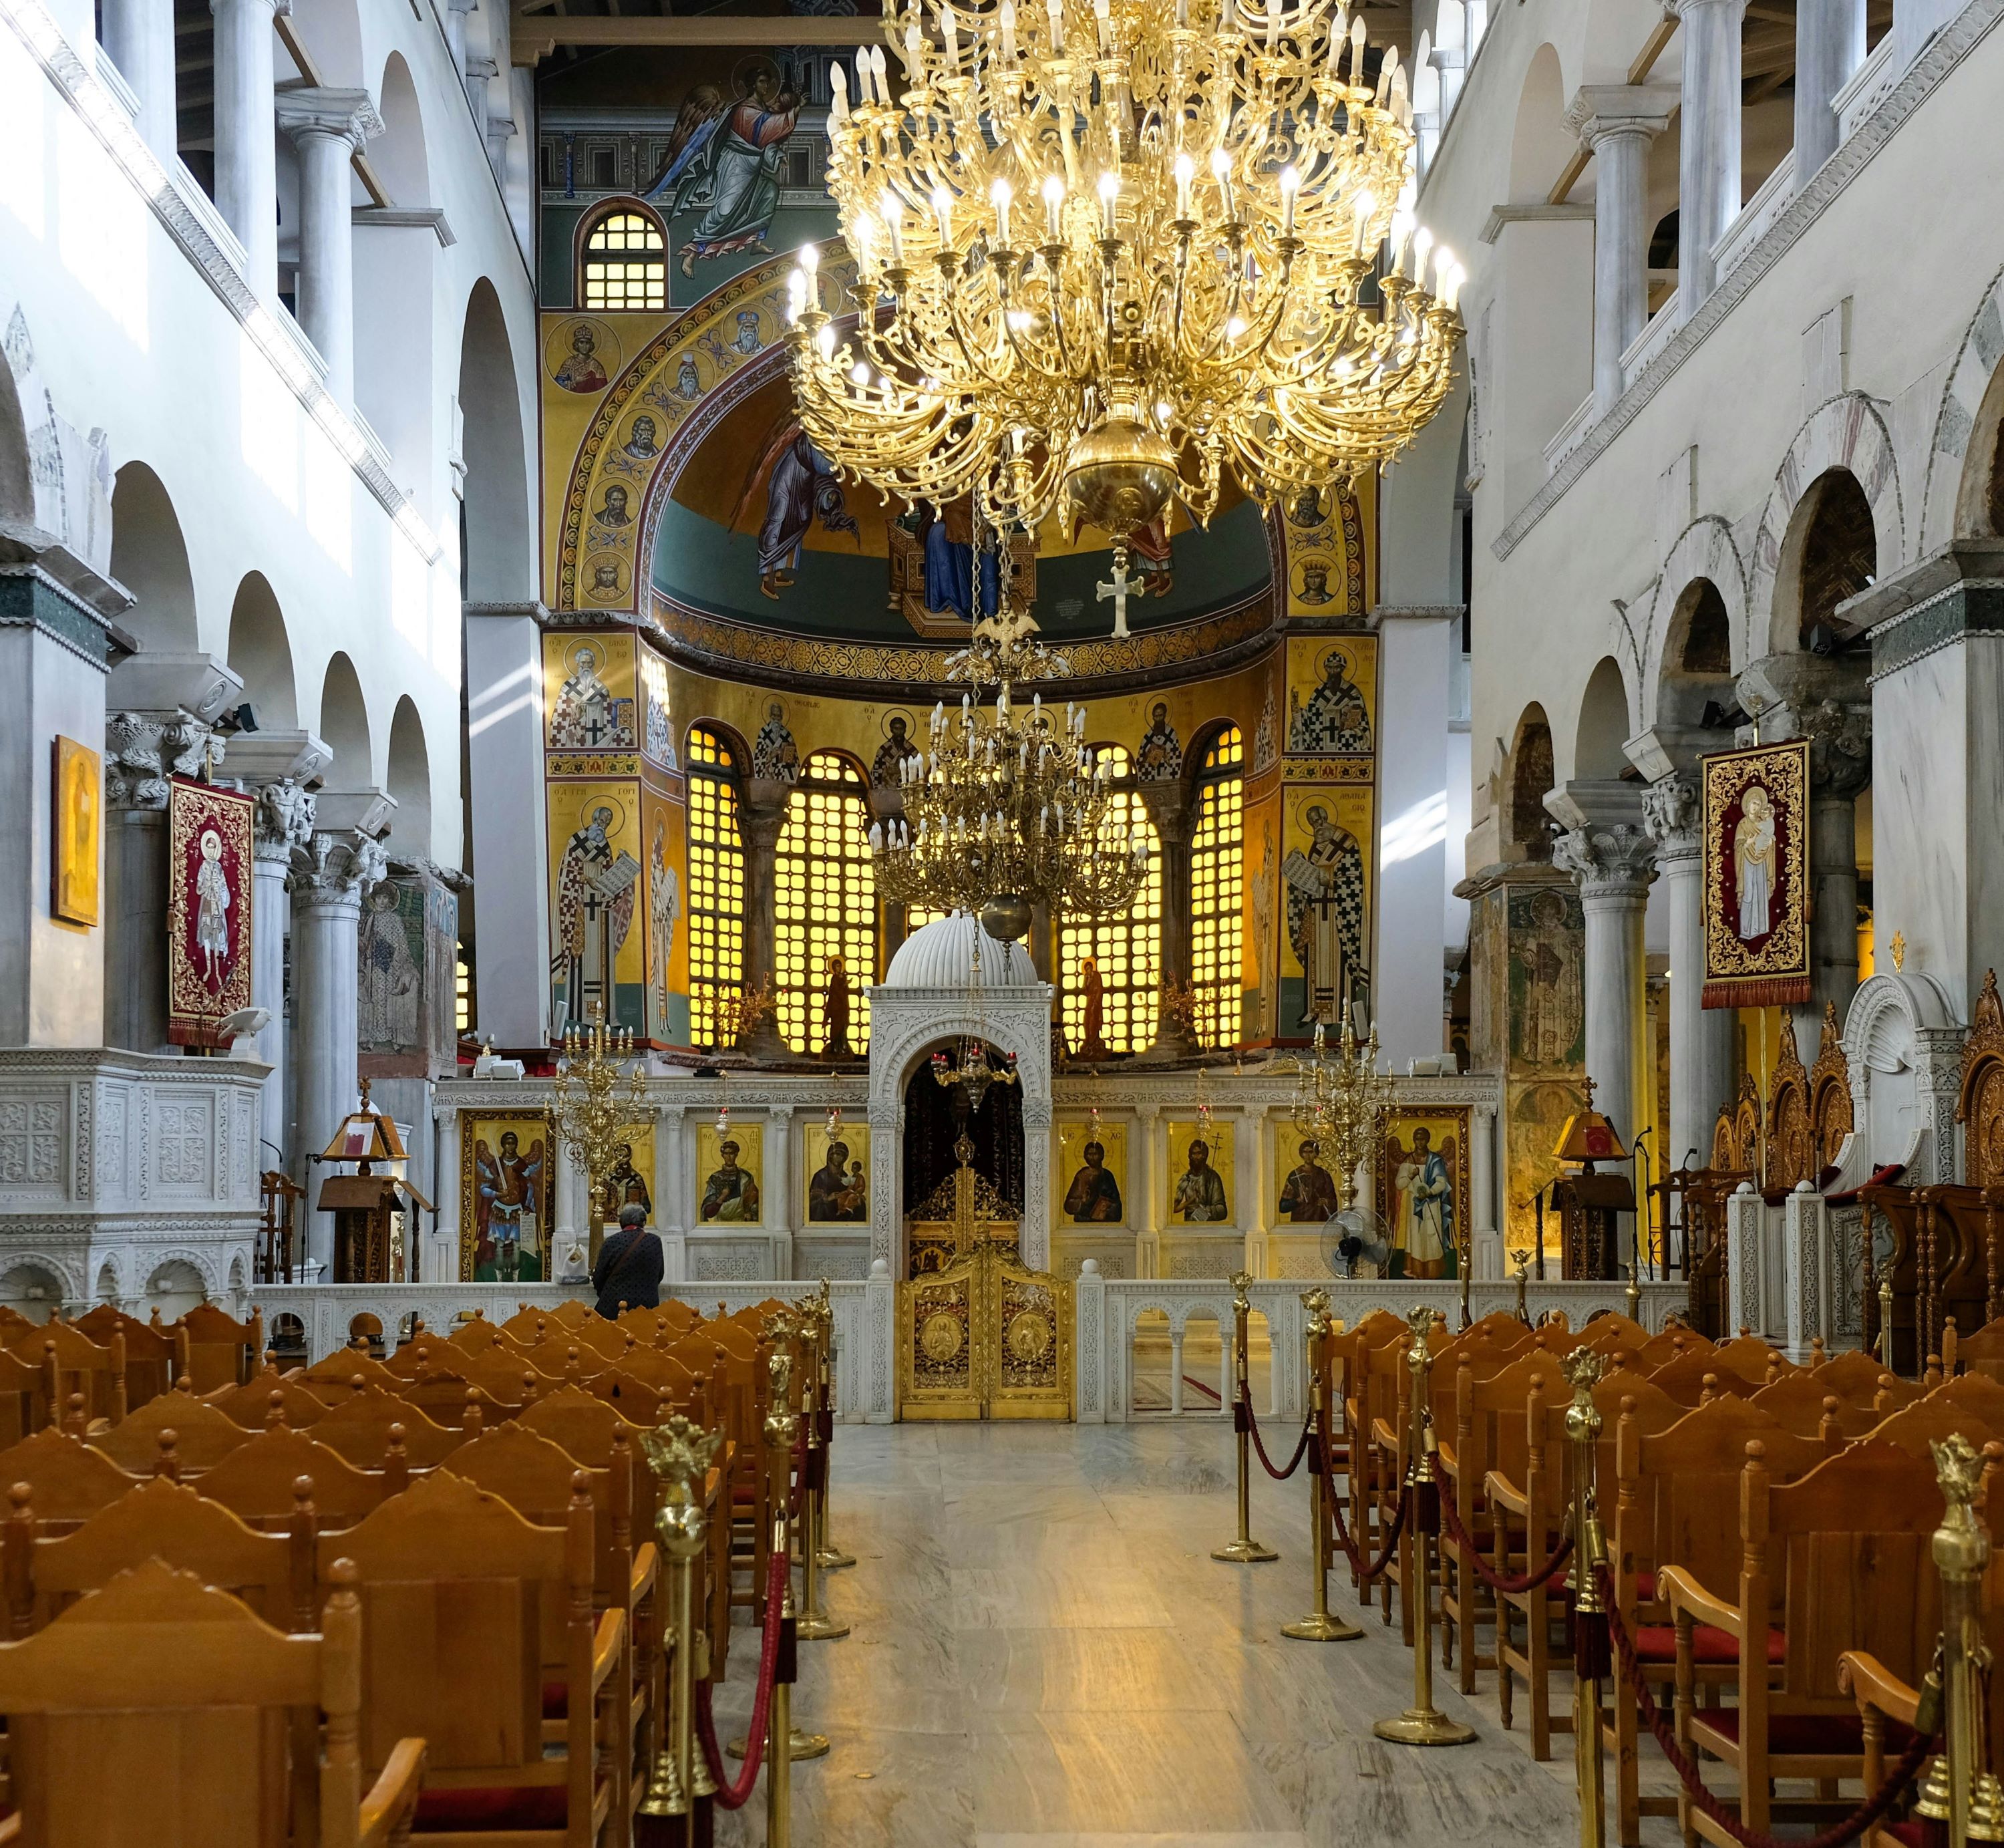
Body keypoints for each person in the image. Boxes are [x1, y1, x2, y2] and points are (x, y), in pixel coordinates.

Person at [591, 1203, 663, 1318]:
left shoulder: (611, 1242)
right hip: (647, 1307)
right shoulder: (655, 1241)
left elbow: (599, 1277)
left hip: (614, 1306)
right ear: (644, 1222)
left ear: (621, 1223)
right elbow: (659, 1274)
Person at [1277, 1139, 1338, 1223]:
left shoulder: (1324, 1175)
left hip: (1319, 1220)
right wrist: (1299, 1200)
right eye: (1305, 1152)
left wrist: (1326, 1201)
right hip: (1300, 1222)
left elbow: (1334, 1203)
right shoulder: (1294, 1176)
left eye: (1311, 1152)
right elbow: (1283, 1207)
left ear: (1316, 1154)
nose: (1308, 1155)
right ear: (1301, 1154)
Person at [1063, 1140, 1122, 1222]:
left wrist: (1108, 1207)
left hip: (1104, 1222)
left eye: (1095, 1154)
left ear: (1101, 1155)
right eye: (1089, 1154)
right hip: (1084, 1221)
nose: (1092, 1158)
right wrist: (1082, 1202)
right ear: (1085, 1156)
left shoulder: (1107, 1175)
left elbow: (1116, 1202)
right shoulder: (1082, 1176)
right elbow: (1069, 1205)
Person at [1173, 1138, 1228, 1222]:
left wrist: (1205, 1210)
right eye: (1194, 1154)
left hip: (1208, 1226)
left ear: (1204, 1156)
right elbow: (1174, 1208)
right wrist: (1190, 1201)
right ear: (1190, 1156)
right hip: (1189, 1224)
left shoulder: (1213, 1178)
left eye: (1199, 1153)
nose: (1196, 1157)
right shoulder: (1186, 1178)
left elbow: (1222, 1210)